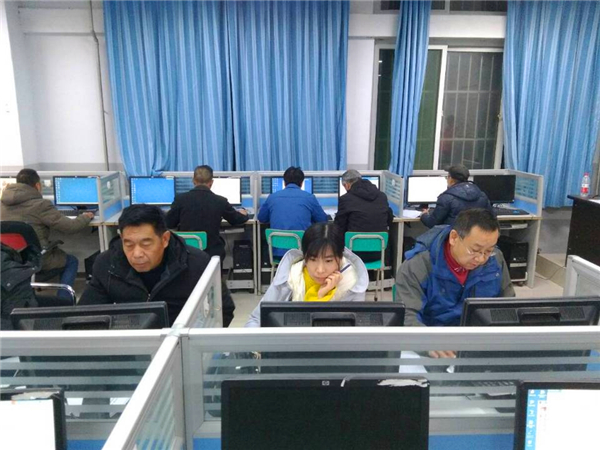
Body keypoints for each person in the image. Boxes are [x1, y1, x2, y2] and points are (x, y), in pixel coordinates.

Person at [395, 208, 514, 356]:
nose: (481, 258)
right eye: (474, 250)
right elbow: (407, 316)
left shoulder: (495, 259)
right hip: (434, 347)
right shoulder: (418, 265)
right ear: (454, 238)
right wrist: (427, 342)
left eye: (488, 251)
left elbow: (508, 305)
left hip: (478, 346)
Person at [80, 204, 211, 326]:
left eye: (146, 244)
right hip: (129, 338)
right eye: (129, 244)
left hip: (179, 337)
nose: (137, 254)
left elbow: (217, 313)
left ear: (165, 239)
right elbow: (86, 316)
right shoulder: (107, 263)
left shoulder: (196, 263)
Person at [165, 165, 247, 327]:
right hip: (211, 253)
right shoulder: (220, 201)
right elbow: (236, 220)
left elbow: (168, 223)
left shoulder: (180, 199)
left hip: (186, 253)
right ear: (211, 182)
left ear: (193, 181)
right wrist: (243, 214)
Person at [246, 222, 368, 327]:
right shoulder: (290, 276)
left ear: (340, 258)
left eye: (328, 261)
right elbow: (256, 319)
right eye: (313, 259)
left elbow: (351, 334)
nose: (320, 270)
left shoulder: (352, 284)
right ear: (305, 257)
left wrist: (322, 297)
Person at [0, 168, 94, 293]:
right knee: (71, 261)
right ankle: (65, 300)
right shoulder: (41, 205)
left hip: (9, 259)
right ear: (38, 186)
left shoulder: (2, 204)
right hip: (36, 258)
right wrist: (85, 217)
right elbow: (71, 227)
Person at [257, 166, 327, 257]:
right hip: (302, 253)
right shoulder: (309, 198)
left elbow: (261, 218)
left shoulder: (272, 197)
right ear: (301, 183)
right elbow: (323, 219)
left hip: (278, 253)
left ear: (284, 182)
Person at [335, 169, 394, 262]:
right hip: (380, 253)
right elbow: (389, 220)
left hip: (354, 254)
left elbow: (339, 226)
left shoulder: (345, 199)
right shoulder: (382, 196)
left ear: (347, 185)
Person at [420, 165, 494, 228]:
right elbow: (492, 218)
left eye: (447, 177)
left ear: (451, 179)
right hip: (475, 237)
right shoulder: (482, 195)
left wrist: (424, 215)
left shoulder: (446, 198)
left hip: (453, 238)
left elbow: (432, 223)